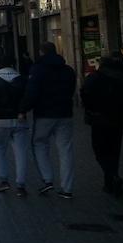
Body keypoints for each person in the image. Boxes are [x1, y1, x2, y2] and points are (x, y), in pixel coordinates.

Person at [20, 42, 76, 198]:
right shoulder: (68, 70)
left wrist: (23, 109)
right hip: (65, 113)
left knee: (39, 144)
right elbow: (71, 90)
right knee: (65, 149)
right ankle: (67, 188)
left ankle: (47, 179)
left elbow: (32, 92)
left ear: (41, 52)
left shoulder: (38, 69)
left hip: (44, 114)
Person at [81, 51, 123, 196]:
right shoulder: (122, 77)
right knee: (114, 151)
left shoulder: (96, 77)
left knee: (99, 150)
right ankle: (110, 181)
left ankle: (111, 176)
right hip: (118, 119)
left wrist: (90, 109)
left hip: (99, 118)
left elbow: (85, 93)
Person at [0, 59, 29, 196]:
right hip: (20, 119)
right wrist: (22, 110)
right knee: (21, 152)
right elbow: (28, 98)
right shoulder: (21, 80)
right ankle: (21, 185)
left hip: (1, 119)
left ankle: (3, 180)